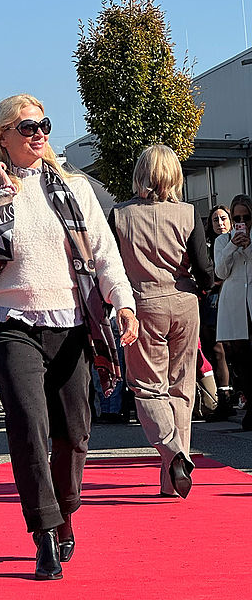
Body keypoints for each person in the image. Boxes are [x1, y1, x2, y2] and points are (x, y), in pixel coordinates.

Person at [0, 94, 138, 580]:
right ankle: (44, 532)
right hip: (9, 322)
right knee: (28, 425)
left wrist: (124, 302)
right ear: (3, 136)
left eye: (43, 125)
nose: (38, 134)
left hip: (70, 321)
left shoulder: (75, 187)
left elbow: (104, 252)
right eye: (27, 127)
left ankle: (65, 510)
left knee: (75, 432)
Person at [110, 144, 213, 498]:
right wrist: (201, 289)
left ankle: (172, 453)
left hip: (142, 303)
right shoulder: (188, 213)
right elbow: (204, 268)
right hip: (184, 301)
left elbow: (108, 266)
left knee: (148, 387)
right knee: (182, 388)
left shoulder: (119, 215)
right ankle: (172, 480)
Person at [214, 193, 252, 431]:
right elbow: (220, 272)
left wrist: (248, 247)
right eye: (237, 218)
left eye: (246, 218)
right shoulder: (222, 241)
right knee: (240, 358)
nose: (241, 223)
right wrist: (232, 246)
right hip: (235, 302)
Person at [200, 205, 234, 419]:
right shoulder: (207, 245)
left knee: (236, 348)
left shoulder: (235, 240)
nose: (220, 223)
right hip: (211, 298)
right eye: (215, 220)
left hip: (232, 295)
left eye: (224, 218)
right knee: (215, 348)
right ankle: (224, 398)